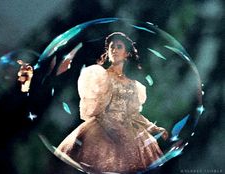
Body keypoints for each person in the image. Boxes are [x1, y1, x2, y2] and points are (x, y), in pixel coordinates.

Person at [53, 32, 168, 173]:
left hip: (128, 133)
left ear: (127, 53)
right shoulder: (100, 77)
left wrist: (154, 128)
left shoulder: (133, 85)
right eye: (111, 47)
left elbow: (133, 114)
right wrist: (112, 129)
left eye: (119, 47)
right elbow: (97, 108)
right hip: (103, 130)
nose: (114, 50)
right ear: (107, 52)